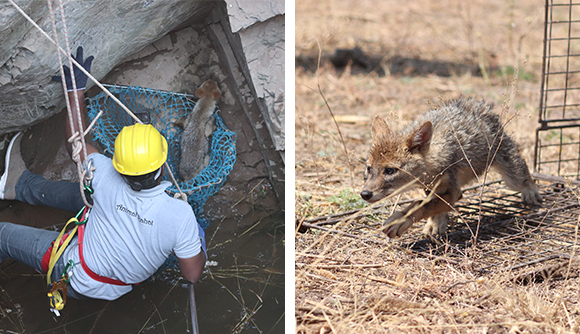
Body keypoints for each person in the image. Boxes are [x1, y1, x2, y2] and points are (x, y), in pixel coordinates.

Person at [0, 47, 205, 301]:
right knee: (85, 195)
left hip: (73, 273)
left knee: (1, 236)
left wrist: (76, 91)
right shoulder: (180, 215)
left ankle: (21, 189)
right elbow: (192, 274)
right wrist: (196, 242)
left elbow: (76, 141)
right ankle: (18, 185)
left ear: (119, 166)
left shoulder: (105, 176)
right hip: (114, 287)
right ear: (162, 166)